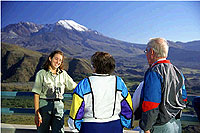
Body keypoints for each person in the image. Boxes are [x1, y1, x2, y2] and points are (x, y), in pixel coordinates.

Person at [68, 51, 133, 133]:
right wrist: (125, 123)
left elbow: (76, 110)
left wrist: (75, 127)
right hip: (114, 125)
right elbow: (127, 106)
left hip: (90, 126)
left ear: (94, 66)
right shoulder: (119, 82)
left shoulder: (84, 84)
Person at [139, 38, 187, 133]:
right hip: (176, 124)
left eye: (146, 51)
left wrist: (147, 127)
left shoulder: (154, 72)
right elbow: (184, 97)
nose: (146, 54)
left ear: (152, 52)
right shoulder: (177, 71)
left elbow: (151, 104)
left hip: (159, 126)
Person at [32, 50, 77, 133]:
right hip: (44, 106)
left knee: (59, 131)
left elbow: (74, 86)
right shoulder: (41, 74)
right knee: (42, 131)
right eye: (56, 59)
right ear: (50, 58)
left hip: (59, 106)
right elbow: (36, 94)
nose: (58, 62)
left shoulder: (63, 74)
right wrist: (37, 113)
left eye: (60, 60)